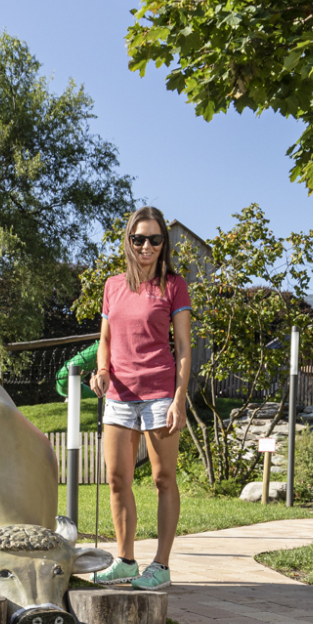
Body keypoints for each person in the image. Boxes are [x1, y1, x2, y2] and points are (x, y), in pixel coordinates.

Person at [90, 206, 193, 590]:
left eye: (154, 239)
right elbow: (105, 340)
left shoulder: (173, 285)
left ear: (163, 243)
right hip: (118, 393)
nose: (146, 246)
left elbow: (183, 347)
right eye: (138, 239)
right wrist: (102, 370)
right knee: (117, 479)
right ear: (128, 242)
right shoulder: (113, 285)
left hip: (159, 394)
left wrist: (179, 399)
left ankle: (161, 566)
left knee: (163, 479)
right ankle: (126, 560)